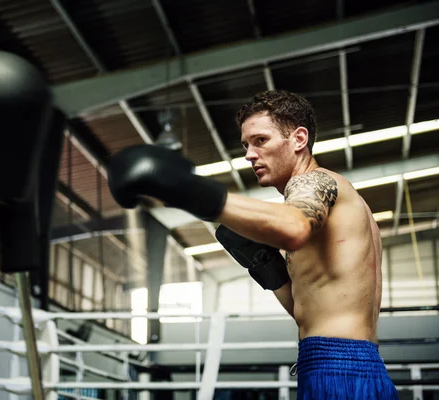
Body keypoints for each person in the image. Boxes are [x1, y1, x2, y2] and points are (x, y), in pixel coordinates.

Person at [107, 90, 398, 399]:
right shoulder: (345, 203)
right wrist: (267, 267)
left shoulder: (315, 182)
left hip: (339, 369)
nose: (249, 154)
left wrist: (183, 189)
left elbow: (294, 227)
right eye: (246, 144)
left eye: (261, 141)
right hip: (349, 364)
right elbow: (310, 311)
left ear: (299, 139)